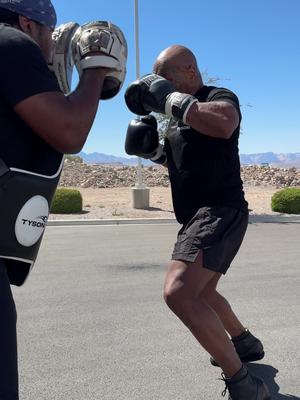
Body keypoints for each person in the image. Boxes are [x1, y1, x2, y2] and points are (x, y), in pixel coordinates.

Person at [124, 45, 270, 399]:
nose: (160, 88)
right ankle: (245, 343)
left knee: (178, 292)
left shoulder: (216, 97)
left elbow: (223, 123)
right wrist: (152, 151)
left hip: (219, 210)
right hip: (200, 216)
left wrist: (171, 99)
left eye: (166, 79)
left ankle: (243, 382)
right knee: (203, 291)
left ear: (189, 71)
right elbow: (183, 163)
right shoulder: (181, 120)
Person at [0, 1, 127, 398]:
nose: (49, 46)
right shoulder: (11, 43)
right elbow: (69, 132)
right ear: (27, 22)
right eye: (48, 35)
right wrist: (94, 67)